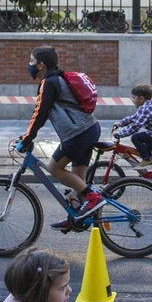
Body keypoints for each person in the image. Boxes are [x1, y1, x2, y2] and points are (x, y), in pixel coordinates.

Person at [16, 46, 103, 220]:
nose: (29, 65)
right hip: (90, 128)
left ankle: (94, 198)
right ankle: (77, 217)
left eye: (31, 61)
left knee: (54, 168)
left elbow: (40, 112)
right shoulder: (58, 79)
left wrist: (27, 138)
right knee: (77, 178)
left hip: (78, 133)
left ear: (41, 65)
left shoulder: (49, 83)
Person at [112, 83, 152, 162]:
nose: (132, 100)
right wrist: (120, 123)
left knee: (135, 138)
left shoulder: (144, 108)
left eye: (134, 98)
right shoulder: (147, 107)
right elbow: (133, 118)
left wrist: (120, 134)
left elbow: (135, 126)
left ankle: (146, 160)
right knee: (145, 150)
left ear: (141, 99)